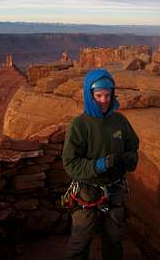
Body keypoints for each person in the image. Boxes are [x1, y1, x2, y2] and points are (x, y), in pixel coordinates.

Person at [62, 68, 140, 260]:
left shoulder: (119, 121)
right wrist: (98, 166)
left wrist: (128, 160)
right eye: (99, 95)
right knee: (81, 240)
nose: (104, 100)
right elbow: (70, 163)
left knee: (114, 239)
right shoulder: (80, 125)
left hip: (114, 190)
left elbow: (132, 147)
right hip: (87, 192)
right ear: (90, 95)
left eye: (107, 95)